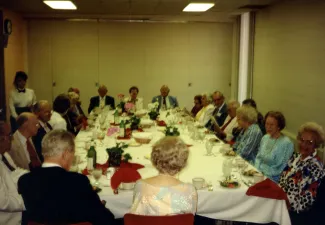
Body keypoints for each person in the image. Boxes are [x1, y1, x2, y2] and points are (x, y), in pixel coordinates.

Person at [18, 129, 116, 225]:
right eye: (73, 154)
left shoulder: (24, 181)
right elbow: (103, 218)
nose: (72, 158)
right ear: (65, 154)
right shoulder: (77, 181)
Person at [130, 136, 197, 215]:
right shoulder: (189, 190)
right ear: (183, 162)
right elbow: (190, 215)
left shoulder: (140, 185)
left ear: (154, 159)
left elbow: (136, 215)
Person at [279, 122, 325, 225]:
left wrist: (285, 203)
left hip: (294, 214)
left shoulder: (315, 167)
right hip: (280, 203)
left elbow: (306, 202)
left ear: (315, 145)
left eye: (309, 142)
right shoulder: (295, 157)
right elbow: (282, 178)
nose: (304, 144)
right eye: (302, 140)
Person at [254, 111, 294, 182]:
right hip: (259, 174)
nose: (268, 127)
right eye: (267, 124)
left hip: (273, 179)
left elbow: (280, 167)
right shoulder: (265, 138)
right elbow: (258, 157)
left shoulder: (286, 143)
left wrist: (263, 174)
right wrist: (256, 171)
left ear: (279, 126)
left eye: (272, 125)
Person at [0, 121, 25, 225]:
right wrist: (29, 200)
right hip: (9, 219)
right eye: (9, 135)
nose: (12, 138)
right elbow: (3, 202)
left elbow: (14, 173)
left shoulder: (4, 155)